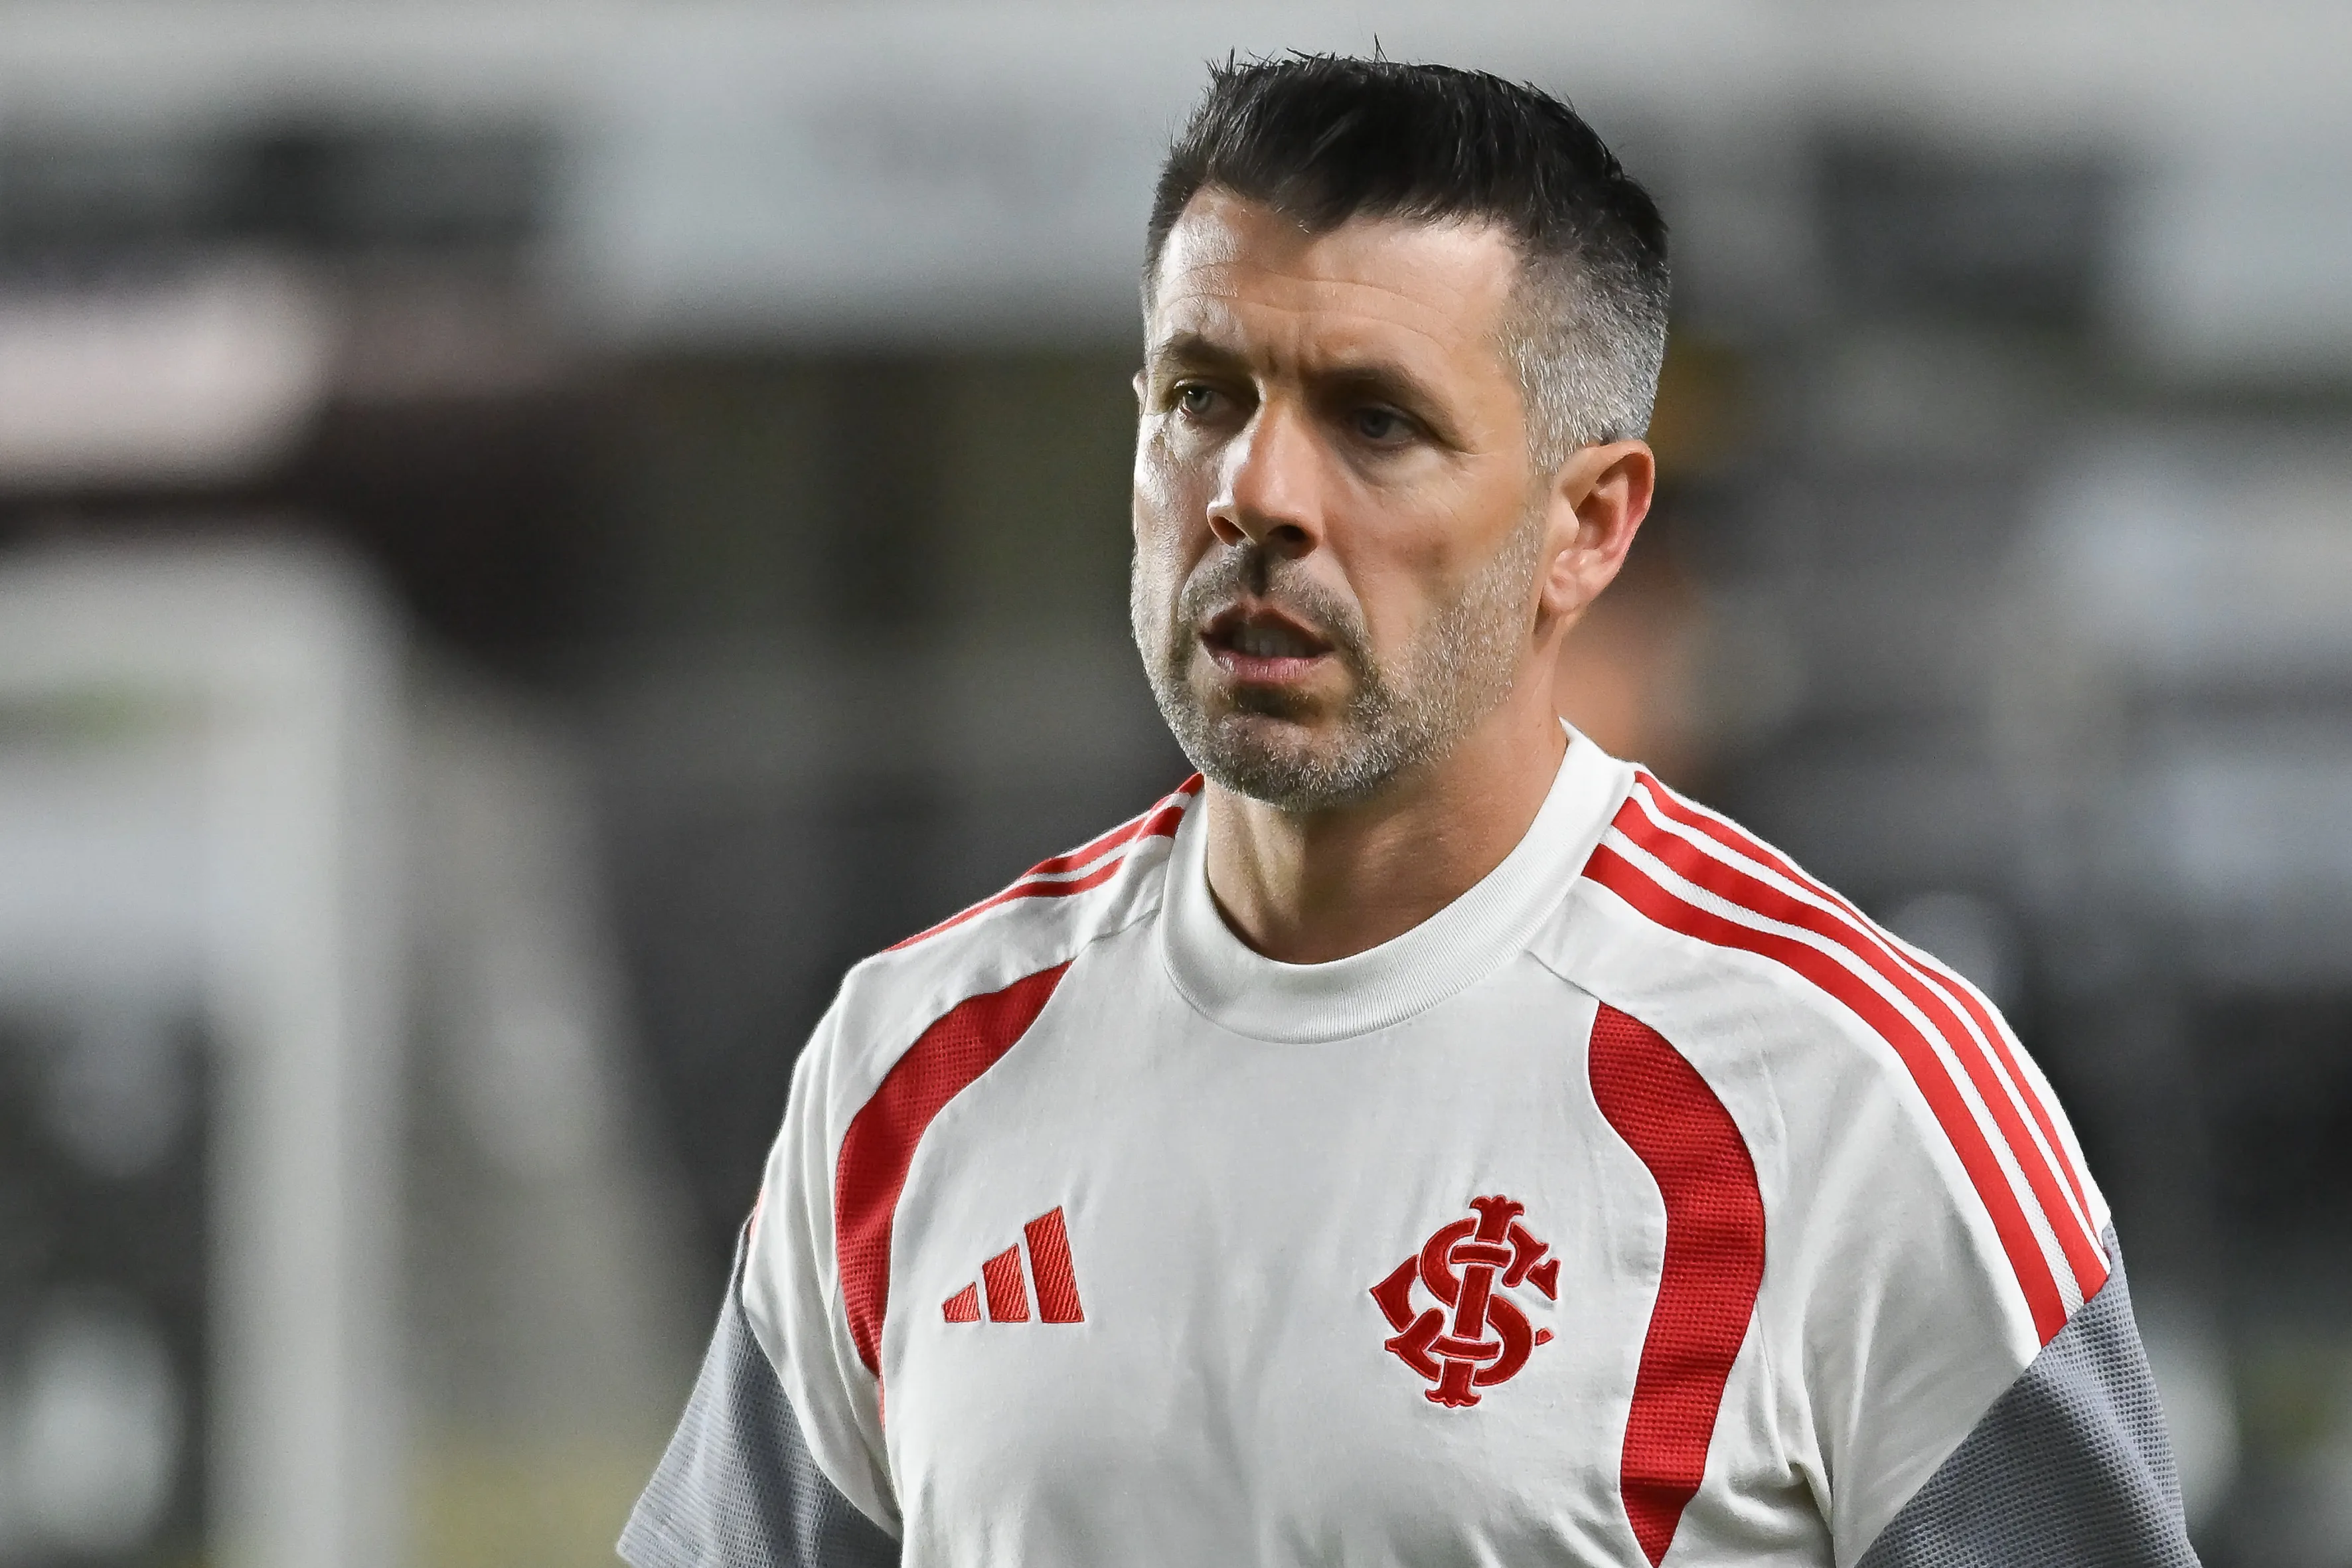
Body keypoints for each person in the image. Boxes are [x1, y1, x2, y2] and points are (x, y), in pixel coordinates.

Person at [619, 56, 2199, 1568]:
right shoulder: (909, 1061)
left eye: (1374, 420)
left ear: (1588, 527)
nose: (1256, 493)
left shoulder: (1853, 1100)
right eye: (1202, 397)